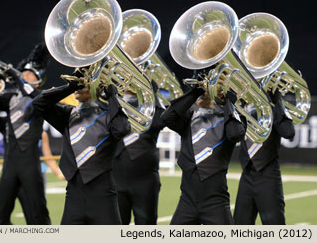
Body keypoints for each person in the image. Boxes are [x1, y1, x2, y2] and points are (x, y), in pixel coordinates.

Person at [31, 75, 131, 225]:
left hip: (103, 194)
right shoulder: (67, 114)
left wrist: (112, 97)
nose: (81, 85)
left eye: (86, 83)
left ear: (99, 87)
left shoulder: (108, 115)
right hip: (73, 194)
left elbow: (122, 129)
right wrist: (70, 87)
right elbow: (39, 103)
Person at [0, 43, 51, 225]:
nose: (25, 75)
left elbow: (31, 96)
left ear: (38, 80)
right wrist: (0, 75)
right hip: (10, 168)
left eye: (30, 73)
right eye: (23, 72)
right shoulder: (10, 99)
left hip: (30, 168)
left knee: (37, 217)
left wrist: (15, 76)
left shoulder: (41, 97)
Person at [160, 75, 246, 225]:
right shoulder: (188, 119)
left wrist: (228, 102)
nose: (205, 93)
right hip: (187, 201)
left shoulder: (229, 120)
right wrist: (194, 93)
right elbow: (167, 117)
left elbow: (235, 134)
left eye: (210, 89)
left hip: (216, 204)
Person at [233, 90, 295, 225]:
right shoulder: (242, 108)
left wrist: (277, 101)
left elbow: (288, 132)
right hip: (246, 175)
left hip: (268, 176)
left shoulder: (273, 109)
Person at [112, 82, 166, 225]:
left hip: (145, 180)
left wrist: (152, 94)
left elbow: (161, 121)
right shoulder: (114, 103)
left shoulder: (151, 106)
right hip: (116, 178)